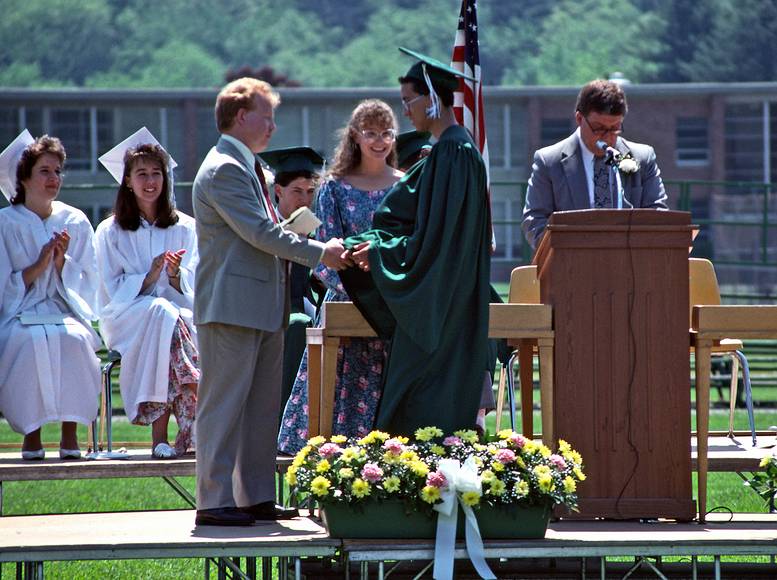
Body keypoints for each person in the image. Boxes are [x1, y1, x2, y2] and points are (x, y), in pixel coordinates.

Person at [192, 77, 350, 527]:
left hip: (262, 305)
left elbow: (267, 232)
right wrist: (322, 251)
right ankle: (213, 500)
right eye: (268, 116)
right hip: (231, 305)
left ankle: (254, 495)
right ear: (242, 117)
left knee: (261, 408)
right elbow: (261, 234)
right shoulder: (224, 168)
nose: (273, 126)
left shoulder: (250, 168)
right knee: (224, 406)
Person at [345, 48, 491, 437]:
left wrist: (381, 254)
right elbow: (402, 218)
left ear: (431, 97)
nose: (406, 111)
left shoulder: (455, 153)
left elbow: (439, 243)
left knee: (422, 413)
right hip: (440, 303)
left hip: (441, 308)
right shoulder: (444, 153)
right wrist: (371, 244)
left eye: (409, 101)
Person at [278, 100, 402, 455]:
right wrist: (357, 273)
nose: (379, 141)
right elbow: (323, 252)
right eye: (371, 133)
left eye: (386, 133)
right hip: (345, 305)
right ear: (355, 136)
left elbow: (411, 245)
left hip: (394, 307)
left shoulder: (406, 186)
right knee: (330, 403)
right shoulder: (334, 187)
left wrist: (385, 270)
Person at [95, 128, 199, 460]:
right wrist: (150, 275)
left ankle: (162, 440)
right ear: (127, 180)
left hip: (179, 315)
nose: (150, 180)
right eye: (141, 173)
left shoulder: (185, 227)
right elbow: (110, 289)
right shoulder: (109, 231)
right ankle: (191, 402)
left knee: (168, 315)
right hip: (126, 317)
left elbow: (197, 280)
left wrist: (175, 275)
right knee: (160, 312)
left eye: (156, 173)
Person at [0, 132, 101, 460]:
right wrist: (40, 263)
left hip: (63, 306)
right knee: (27, 343)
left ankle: (70, 432)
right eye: (44, 171)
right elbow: (3, 286)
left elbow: (90, 282)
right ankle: (32, 433)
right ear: (24, 177)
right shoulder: (5, 222)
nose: (53, 178)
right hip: (20, 310)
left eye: (58, 171)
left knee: (73, 340)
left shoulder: (74, 221)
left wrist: (61, 264)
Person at [521, 79, 668, 249]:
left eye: (615, 128)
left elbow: (658, 215)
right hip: (571, 268)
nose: (607, 137)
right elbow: (534, 221)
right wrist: (564, 252)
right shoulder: (549, 161)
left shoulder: (642, 157)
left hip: (631, 268)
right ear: (579, 118)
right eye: (598, 128)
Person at [257, 146, 326, 420]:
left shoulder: (321, 227)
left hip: (308, 305)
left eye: (310, 192)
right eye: (297, 191)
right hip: (268, 305)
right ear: (279, 191)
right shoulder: (262, 225)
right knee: (297, 325)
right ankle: (283, 423)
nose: (305, 200)